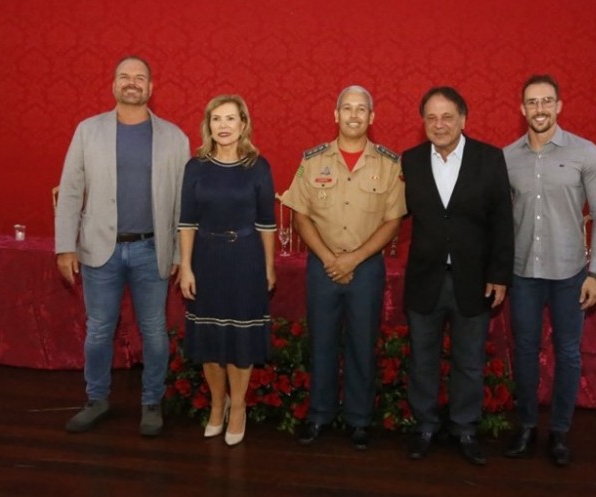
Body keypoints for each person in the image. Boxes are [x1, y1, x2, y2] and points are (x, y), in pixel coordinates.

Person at [55, 56, 190, 436]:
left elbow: (184, 204)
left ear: (151, 87)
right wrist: (65, 246)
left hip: (152, 251)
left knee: (154, 331)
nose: (132, 83)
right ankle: (96, 399)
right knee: (99, 330)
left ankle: (152, 402)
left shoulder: (175, 138)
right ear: (114, 84)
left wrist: (181, 253)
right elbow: (70, 192)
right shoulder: (87, 131)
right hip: (101, 249)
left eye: (140, 77)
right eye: (125, 77)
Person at [282, 85, 406, 450]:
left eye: (361, 109)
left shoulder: (389, 164)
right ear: (335, 116)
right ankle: (319, 415)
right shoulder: (313, 160)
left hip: (366, 268)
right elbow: (300, 215)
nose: (354, 115)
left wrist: (353, 259)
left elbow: (393, 221)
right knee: (320, 342)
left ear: (372, 117)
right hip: (322, 265)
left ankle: (358, 419)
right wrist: (328, 257)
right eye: (347, 108)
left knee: (361, 344)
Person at [503, 74, 596, 467]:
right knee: (526, 351)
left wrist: (595, 272)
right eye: (532, 102)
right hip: (522, 273)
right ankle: (528, 426)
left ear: (559, 106)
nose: (540, 109)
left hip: (570, 273)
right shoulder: (506, 157)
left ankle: (560, 433)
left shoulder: (586, 153)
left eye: (547, 101)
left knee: (568, 354)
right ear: (521, 109)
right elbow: (498, 221)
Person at [402, 86, 514, 465]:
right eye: (431, 118)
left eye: (447, 116)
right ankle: (425, 426)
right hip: (424, 278)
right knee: (422, 358)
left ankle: (465, 427)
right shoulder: (410, 161)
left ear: (463, 119)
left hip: (473, 279)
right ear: (423, 123)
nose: (439, 124)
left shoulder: (489, 158)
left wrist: (500, 274)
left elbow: (502, 221)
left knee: (468, 360)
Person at [178, 95, 276, 446]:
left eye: (230, 119)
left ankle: (238, 409)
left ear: (243, 124)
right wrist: (186, 266)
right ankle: (217, 405)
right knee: (209, 341)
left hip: (246, 258)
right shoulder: (196, 167)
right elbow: (186, 222)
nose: (223, 125)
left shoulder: (258, 166)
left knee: (240, 340)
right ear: (208, 125)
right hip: (206, 258)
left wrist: (268, 267)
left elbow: (267, 223)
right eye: (216, 119)